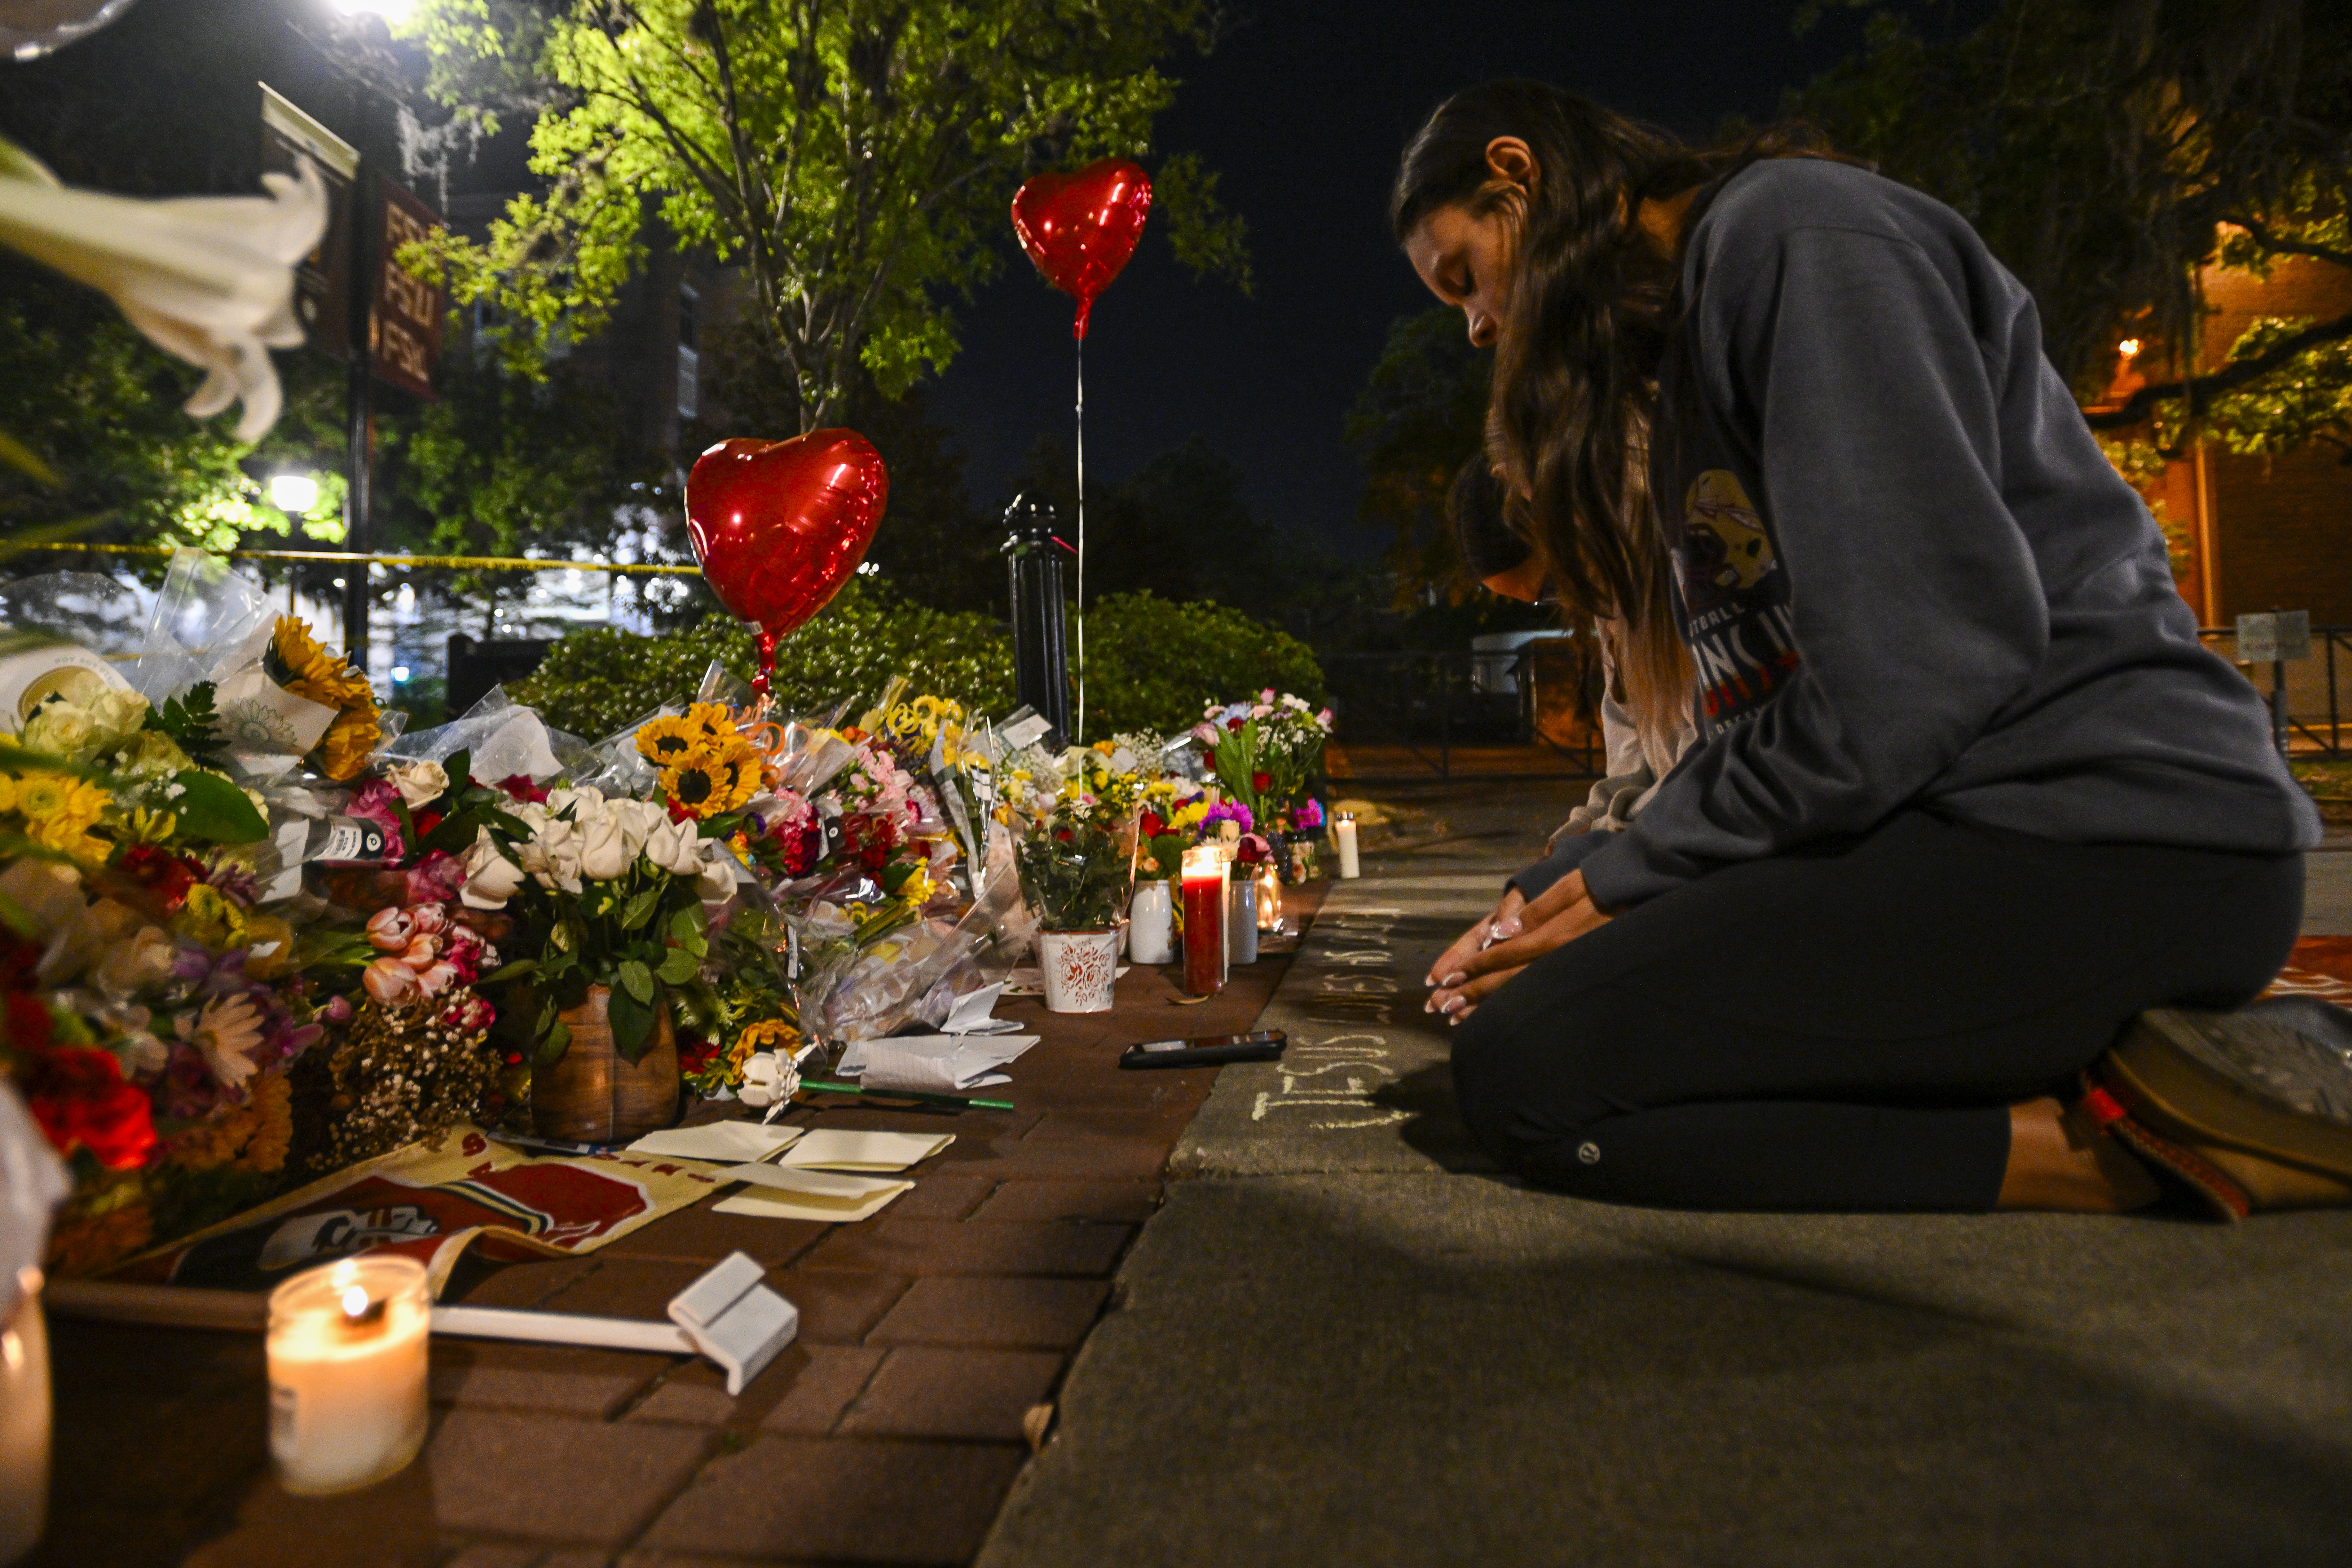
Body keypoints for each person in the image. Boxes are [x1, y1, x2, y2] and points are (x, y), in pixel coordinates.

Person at [1393, 80, 2344, 1217]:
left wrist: (1634, 873)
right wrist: (1553, 890)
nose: (1478, 327)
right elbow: (1775, 719)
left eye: (1464, 277)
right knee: (1520, 1000)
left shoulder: (1796, 236)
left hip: (2114, 835)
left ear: (1518, 175)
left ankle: (2127, 1149)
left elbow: (1914, 677)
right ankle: (2084, 1061)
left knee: (1535, 1079)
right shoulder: (1687, 339)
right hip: (1955, 819)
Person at [1447, 454, 1696, 906]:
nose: (1564, 601)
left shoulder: (1680, 580)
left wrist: (1603, 834)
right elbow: (1631, 753)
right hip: (1661, 837)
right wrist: (1590, 821)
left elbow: (1708, 769)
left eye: (1548, 589)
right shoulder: (1611, 608)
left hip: (1701, 850)